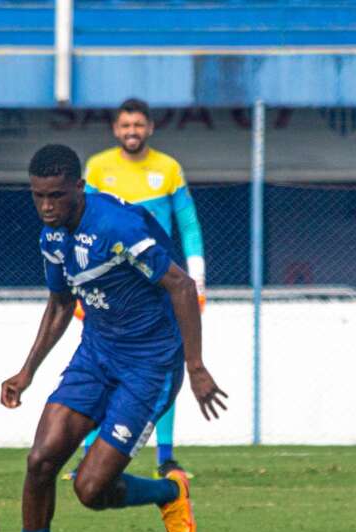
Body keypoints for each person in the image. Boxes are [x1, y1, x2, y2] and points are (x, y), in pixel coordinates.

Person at [1, 145, 227, 532]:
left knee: (90, 490)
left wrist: (196, 367)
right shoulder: (52, 236)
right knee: (40, 462)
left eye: (56, 196)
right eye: (38, 196)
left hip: (149, 365)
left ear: (79, 187)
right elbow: (61, 304)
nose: (46, 206)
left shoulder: (116, 227)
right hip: (96, 355)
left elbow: (182, 286)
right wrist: (27, 371)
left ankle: (170, 491)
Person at [69, 97, 207, 480]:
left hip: (159, 280)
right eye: (126, 125)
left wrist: (197, 280)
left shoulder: (168, 169)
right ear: (116, 129)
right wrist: (80, 287)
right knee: (100, 363)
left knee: (166, 363)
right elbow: (81, 227)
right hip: (111, 284)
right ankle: (88, 454)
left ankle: (167, 457)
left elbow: (189, 226)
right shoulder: (98, 167)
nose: (132, 131)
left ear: (150, 128)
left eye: (138, 125)